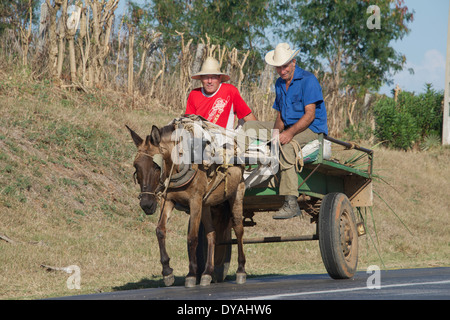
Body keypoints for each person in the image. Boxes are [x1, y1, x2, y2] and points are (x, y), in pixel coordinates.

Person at [243, 43, 328, 219]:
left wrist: (288, 134)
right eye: (278, 67)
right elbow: (281, 116)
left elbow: (310, 115)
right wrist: (275, 135)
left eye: (285, 66)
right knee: (249, 127)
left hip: (311, 128)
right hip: (289, 125)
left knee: (287, 147)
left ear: (293, 62)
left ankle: (291, 202)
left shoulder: (308, 80)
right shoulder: (279, 83)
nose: (282, 71)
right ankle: (233, 171)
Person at [184, 57, 257, 131]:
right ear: (201, 79)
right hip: (201, 137)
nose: (209, 81)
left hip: (225, 137)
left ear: (219, 78)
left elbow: (247, 115)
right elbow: (189, 122)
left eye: (213, 77)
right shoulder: (194, 94)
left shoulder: (230, 91)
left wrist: (261, 135)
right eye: (206, 77)